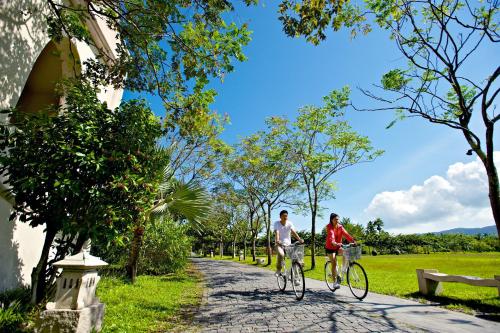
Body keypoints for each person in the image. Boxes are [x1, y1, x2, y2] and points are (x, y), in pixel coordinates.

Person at [324, 213, 355, 289]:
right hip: (330, 247)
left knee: (346, 253)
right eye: (335, 219)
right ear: (332, 220)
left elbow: (346, 234)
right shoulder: (329, 227)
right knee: (334, 263)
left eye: (338, 219)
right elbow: (331, 235)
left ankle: (342, 271)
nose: (337, 221)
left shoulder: (340, 227)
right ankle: (334, 283)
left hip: (338, 246)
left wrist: (353, 241)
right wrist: (333, 242)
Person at [274, 210, 303, 276]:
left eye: (286, 216)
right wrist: (277, 240)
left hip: (288, 245)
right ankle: (278, 269)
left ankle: (295, 277)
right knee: (281, 255)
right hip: (279, 244)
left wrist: (299, 239)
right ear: (280, 217)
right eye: (284, 216)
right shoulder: (277, 223)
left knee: (295, 259)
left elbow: (293, 232)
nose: (285, 217)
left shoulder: (289, 223)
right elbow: (277, 232)